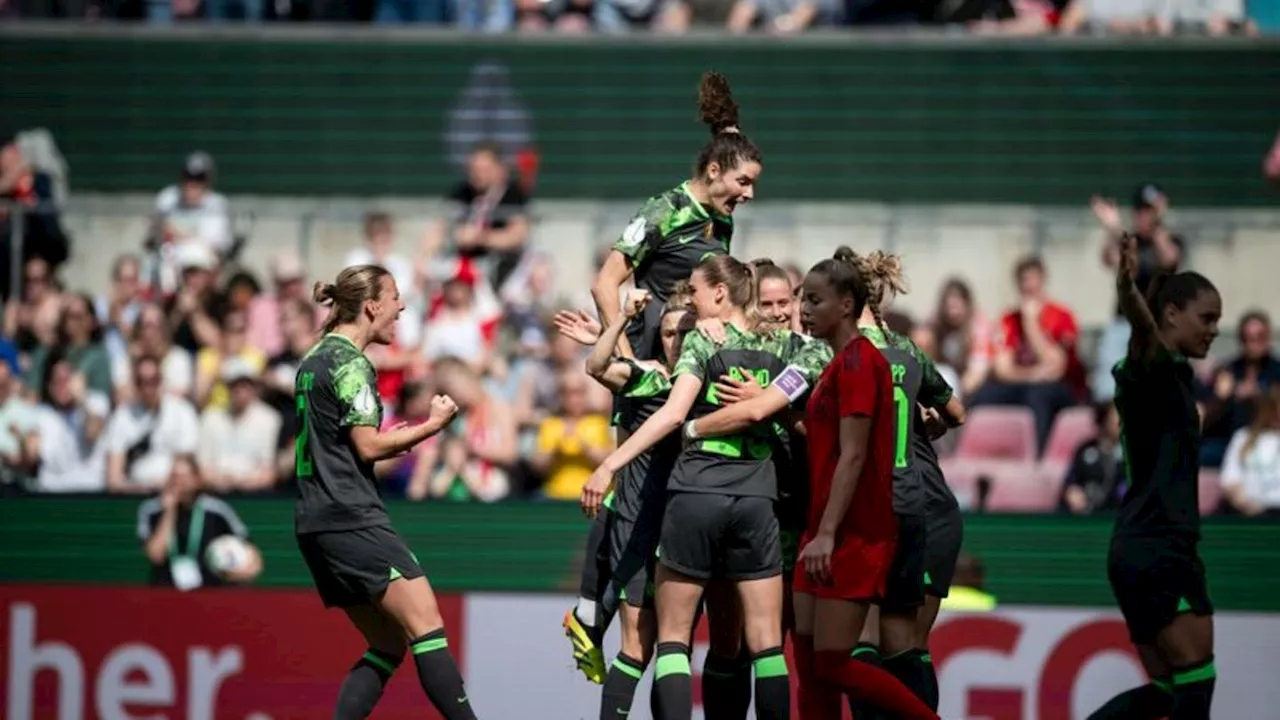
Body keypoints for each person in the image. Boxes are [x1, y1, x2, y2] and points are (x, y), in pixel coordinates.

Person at [567, 69, 762, 683]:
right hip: (652, 376)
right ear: (713, 173)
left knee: (660, 498)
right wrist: (626, 350)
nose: (749, 195)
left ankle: (610, 610)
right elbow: (606, 281)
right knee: (637, 496)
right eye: (744, 183)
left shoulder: (717, 213)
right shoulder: (662, 210)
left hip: (686, 372)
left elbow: (729, 155)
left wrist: (728, 123)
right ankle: (590, 612)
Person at [584, 255, 829, 720]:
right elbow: (814, 368)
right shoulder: (794, 348)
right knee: (767, 645)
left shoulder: (701, 343)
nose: (690, 300)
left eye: (695, 289)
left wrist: (609, 464)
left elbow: (674, 414)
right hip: (758, 500)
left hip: (695, 493)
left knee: (674, 639)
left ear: (720, 291)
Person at [292, 265, 478, 720]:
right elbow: (368, 445)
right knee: (427, 626)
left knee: (387, 643)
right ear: (372, 305)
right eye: (395, 297)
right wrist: (431, 426)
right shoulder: (351, 363)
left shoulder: (312, 360)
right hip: (351, 516)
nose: (402, 307)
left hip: (314, 523)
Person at [788, 249, 938, 720]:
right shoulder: (835, 363)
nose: (803, 310)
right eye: (802, 300)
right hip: (822, 529)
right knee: (812, 666)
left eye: (815, 300)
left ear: (848, 304)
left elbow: (854, 455)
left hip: (852, 533)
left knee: (833, 662)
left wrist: (829, 534)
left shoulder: (857, 362)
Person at [1088, 236, 1221, 720]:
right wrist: (1126, 286)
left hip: (1147, 544)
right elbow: (1143, 331)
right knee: (1195, 680)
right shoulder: (1152, 370)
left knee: (1168, 689)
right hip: (1158, 545)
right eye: (1206, 318)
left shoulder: (1174, 379)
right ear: (1170, 315)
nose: (1214, 330)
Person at [559, 285, 696, 719]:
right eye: (669, 332)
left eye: (684, 332)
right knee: (637, 645)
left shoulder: (705, 381)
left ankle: (587, 613)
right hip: (638, 524)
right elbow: (596, 365)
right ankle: (587, 614)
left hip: (684, 530)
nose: (675, 339)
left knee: (674, 649)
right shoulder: (650, 376)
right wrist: (617, 319)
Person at [138, 454, 263, 591]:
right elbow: (156, 555)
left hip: (209, 592)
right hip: (165, 590)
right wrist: (169, 511)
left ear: (197, 480)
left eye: (184, 477)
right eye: (174, 477)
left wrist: (239, 572)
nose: (178, 483)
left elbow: (251, 552)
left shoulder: (217, 510)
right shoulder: (151, 510)